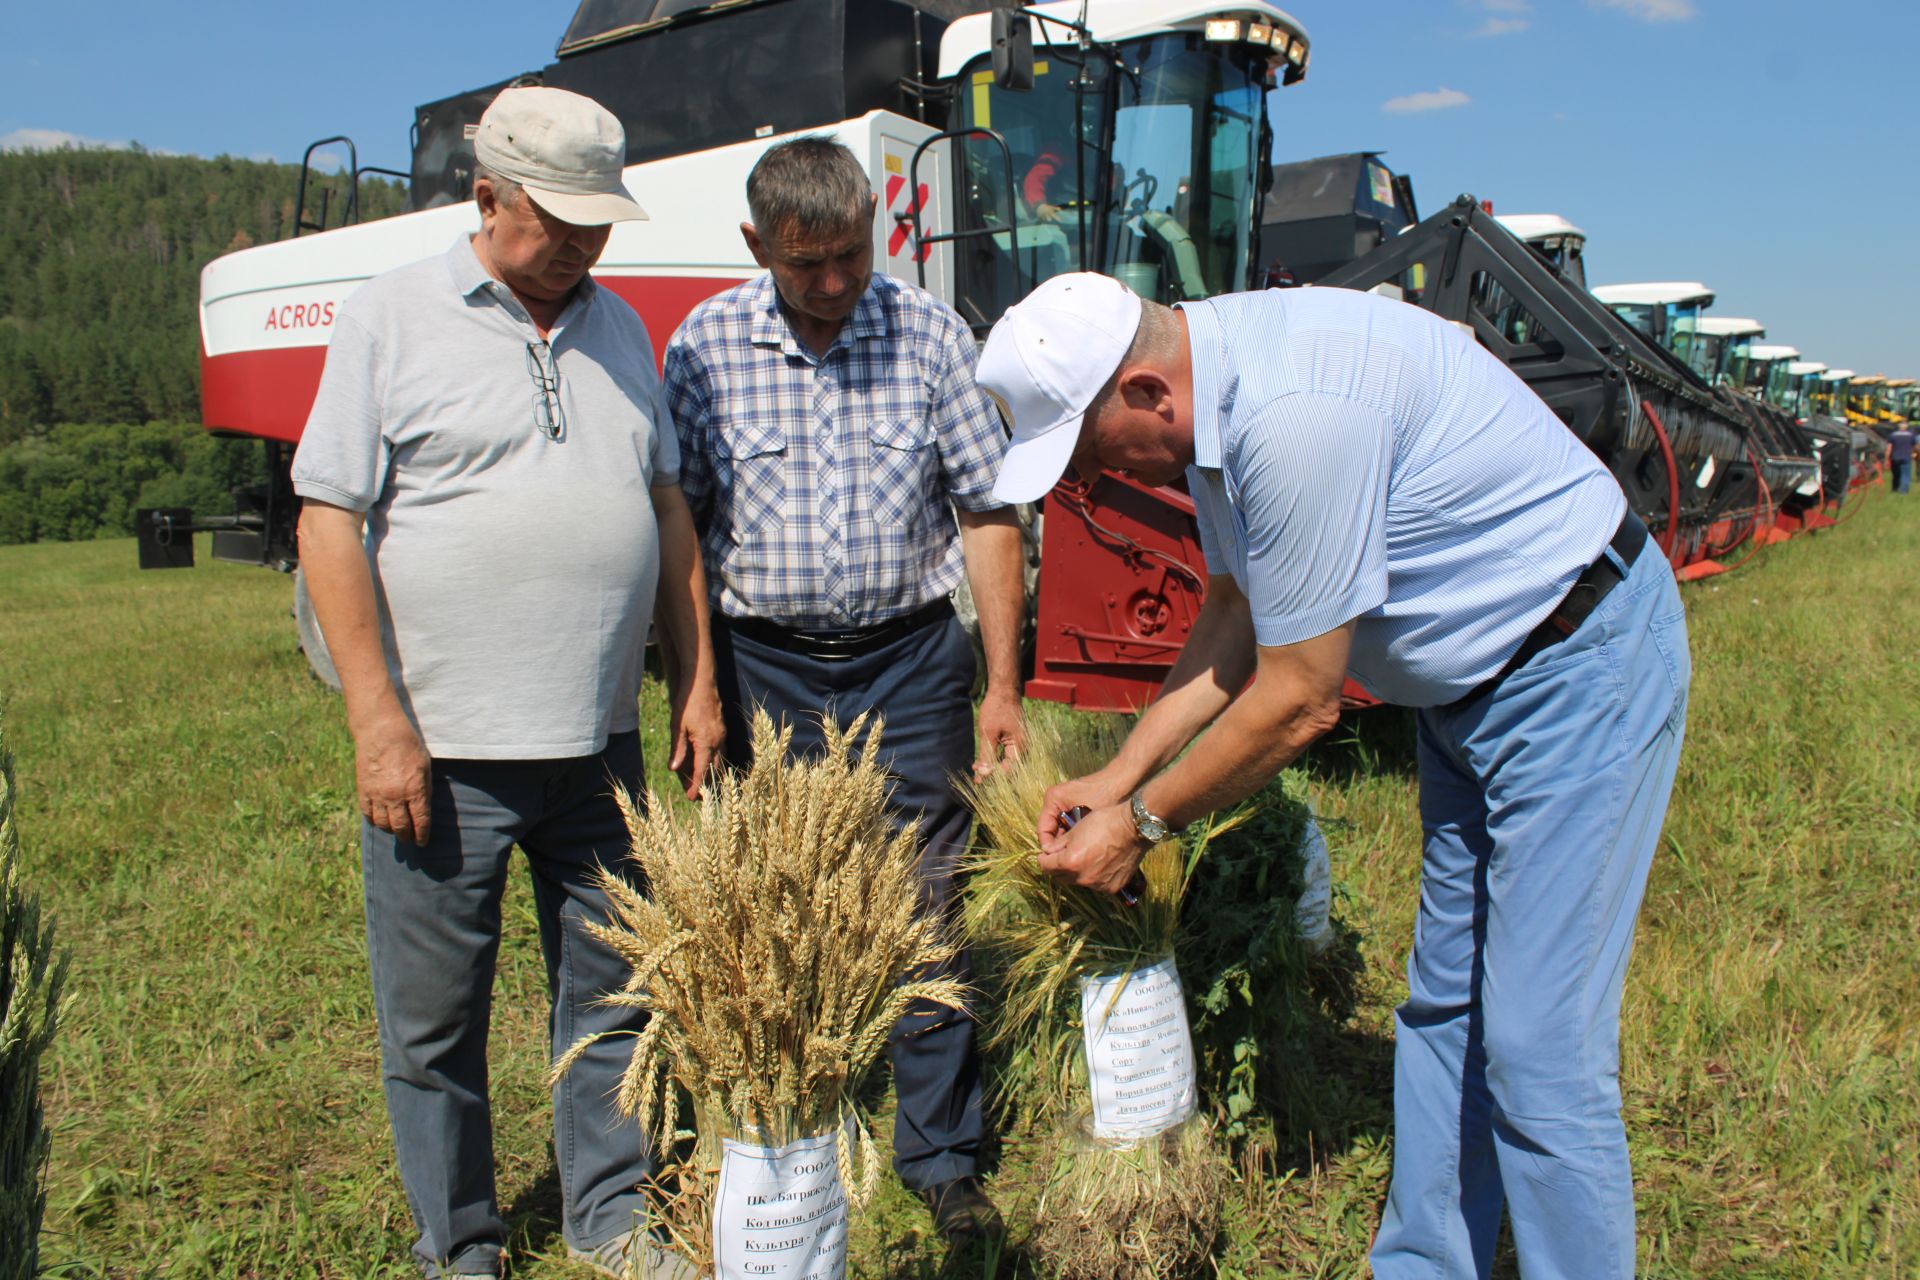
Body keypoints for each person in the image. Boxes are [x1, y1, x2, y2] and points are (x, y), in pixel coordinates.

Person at [978, 273, 1690, 1279]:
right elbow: (1232, 616)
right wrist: (1121, 771)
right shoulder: (1216, 403)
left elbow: (1301, 694)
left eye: (1091, 450)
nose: (1092, 478)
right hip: (1467, 697)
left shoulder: (1293, 416)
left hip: (1575, 666)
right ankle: (1424, 1264)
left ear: (1144, 393)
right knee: (1449, 1007)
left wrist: (1138, 821)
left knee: (1539, 1045)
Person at [292, 86, 721, 1280]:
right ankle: (461, 1246)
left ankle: (613, 1215)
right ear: (487, 196)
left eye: (598, 222)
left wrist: (694, 681)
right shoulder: (393, 317)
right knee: (434, 1027)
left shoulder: (622, 330)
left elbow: (667, 509)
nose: (584, 245)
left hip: (597, 745)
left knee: (617, 999)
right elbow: (329, 518)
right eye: (558, 221)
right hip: (443, 752)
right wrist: (378, 720)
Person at [662, 135, 1027, 1246]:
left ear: (877, 230)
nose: (830, 284)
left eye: (851, 256)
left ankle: (941, 1152)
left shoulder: (925, 333)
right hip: (761, 661)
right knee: (772, 903)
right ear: (755, 244)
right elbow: (678, 520)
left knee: (928, 898)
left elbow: (987, 509)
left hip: (913, 660)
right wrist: (695, 684)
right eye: (803, 262)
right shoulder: (706, 344)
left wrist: (1003, 679)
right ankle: (787, 1129)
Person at [1887, 421, 1914, 493]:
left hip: (1895, 458)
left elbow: (1889, 448)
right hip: (1906, 457)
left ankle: (1895, 488)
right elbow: (1915, 446)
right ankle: (1903, 491)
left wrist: (1887, 458)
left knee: (1896, 474)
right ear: (1906, 426)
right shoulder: (1910, 435)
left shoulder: (1893, 435)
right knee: (1905, 474)